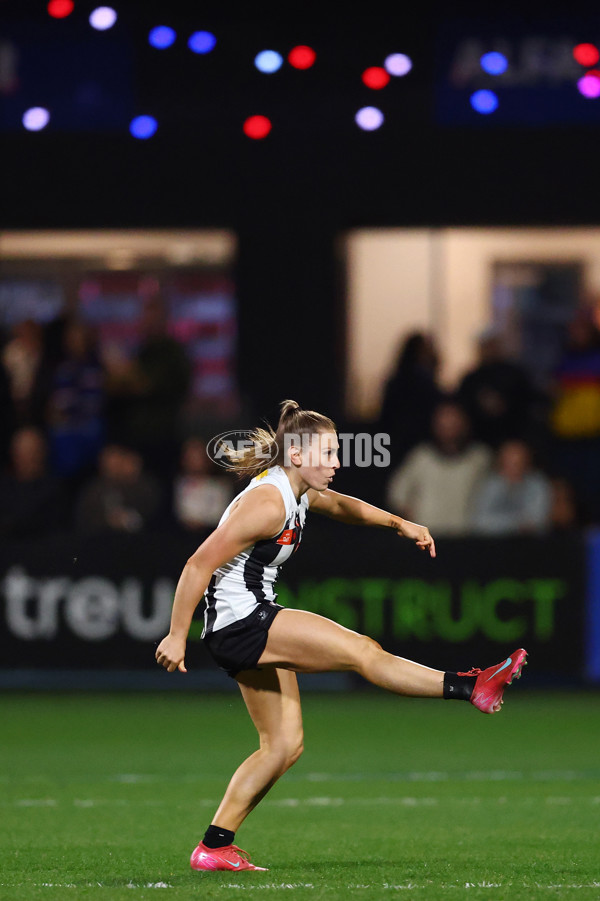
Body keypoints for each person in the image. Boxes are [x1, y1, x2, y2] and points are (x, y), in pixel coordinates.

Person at [155, 400, 527, 873]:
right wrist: (175, 634)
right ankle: (472, 685)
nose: (337, 463)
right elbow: (197, 564)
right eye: (328, 454)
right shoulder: (268, 502)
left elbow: (342, 505)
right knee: (362, 652)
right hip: (242, 622)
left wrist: (400, 524)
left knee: (284, 745)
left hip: (242, 622)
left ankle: (214, 846)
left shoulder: (297, 490)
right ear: (296, 455)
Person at [385, 400, 491, 536]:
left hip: (467, 538)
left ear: (465, 422)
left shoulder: (480, 458)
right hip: (426, 540)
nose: (448, 425)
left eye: (454, 419)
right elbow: (397, 495)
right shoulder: (421, 457)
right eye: (443, 419)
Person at [470, 440, 552, 536]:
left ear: (527, 462)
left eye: (519, 463)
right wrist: (517, 525)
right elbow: (480, 521)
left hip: (531, 544)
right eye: (510, 463)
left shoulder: (538, 484)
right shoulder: (490, 485)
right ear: (501, 462)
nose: (515, 468)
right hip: (495, 544)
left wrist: (502, 523)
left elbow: (538, 520)